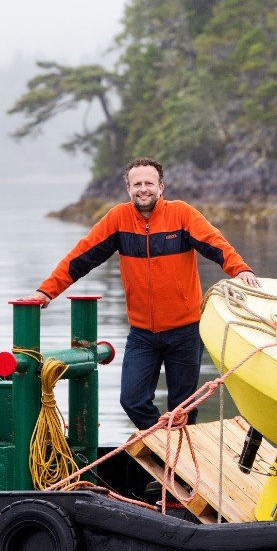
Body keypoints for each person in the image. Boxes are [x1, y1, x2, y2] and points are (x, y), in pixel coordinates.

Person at [27, 158, 259, 429]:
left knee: (184, 409)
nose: (143, 189)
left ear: (161, 187)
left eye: (149, 183)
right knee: (132, 400)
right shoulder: (118, 219)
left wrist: (240, 269)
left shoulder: (182, 214)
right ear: (128, 189)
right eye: (137, 184)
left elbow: (215, 244)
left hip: (184, 331)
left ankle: (176, 461)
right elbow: (80, 257)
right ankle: (162, 442)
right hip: (142, 334)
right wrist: (46, 291)